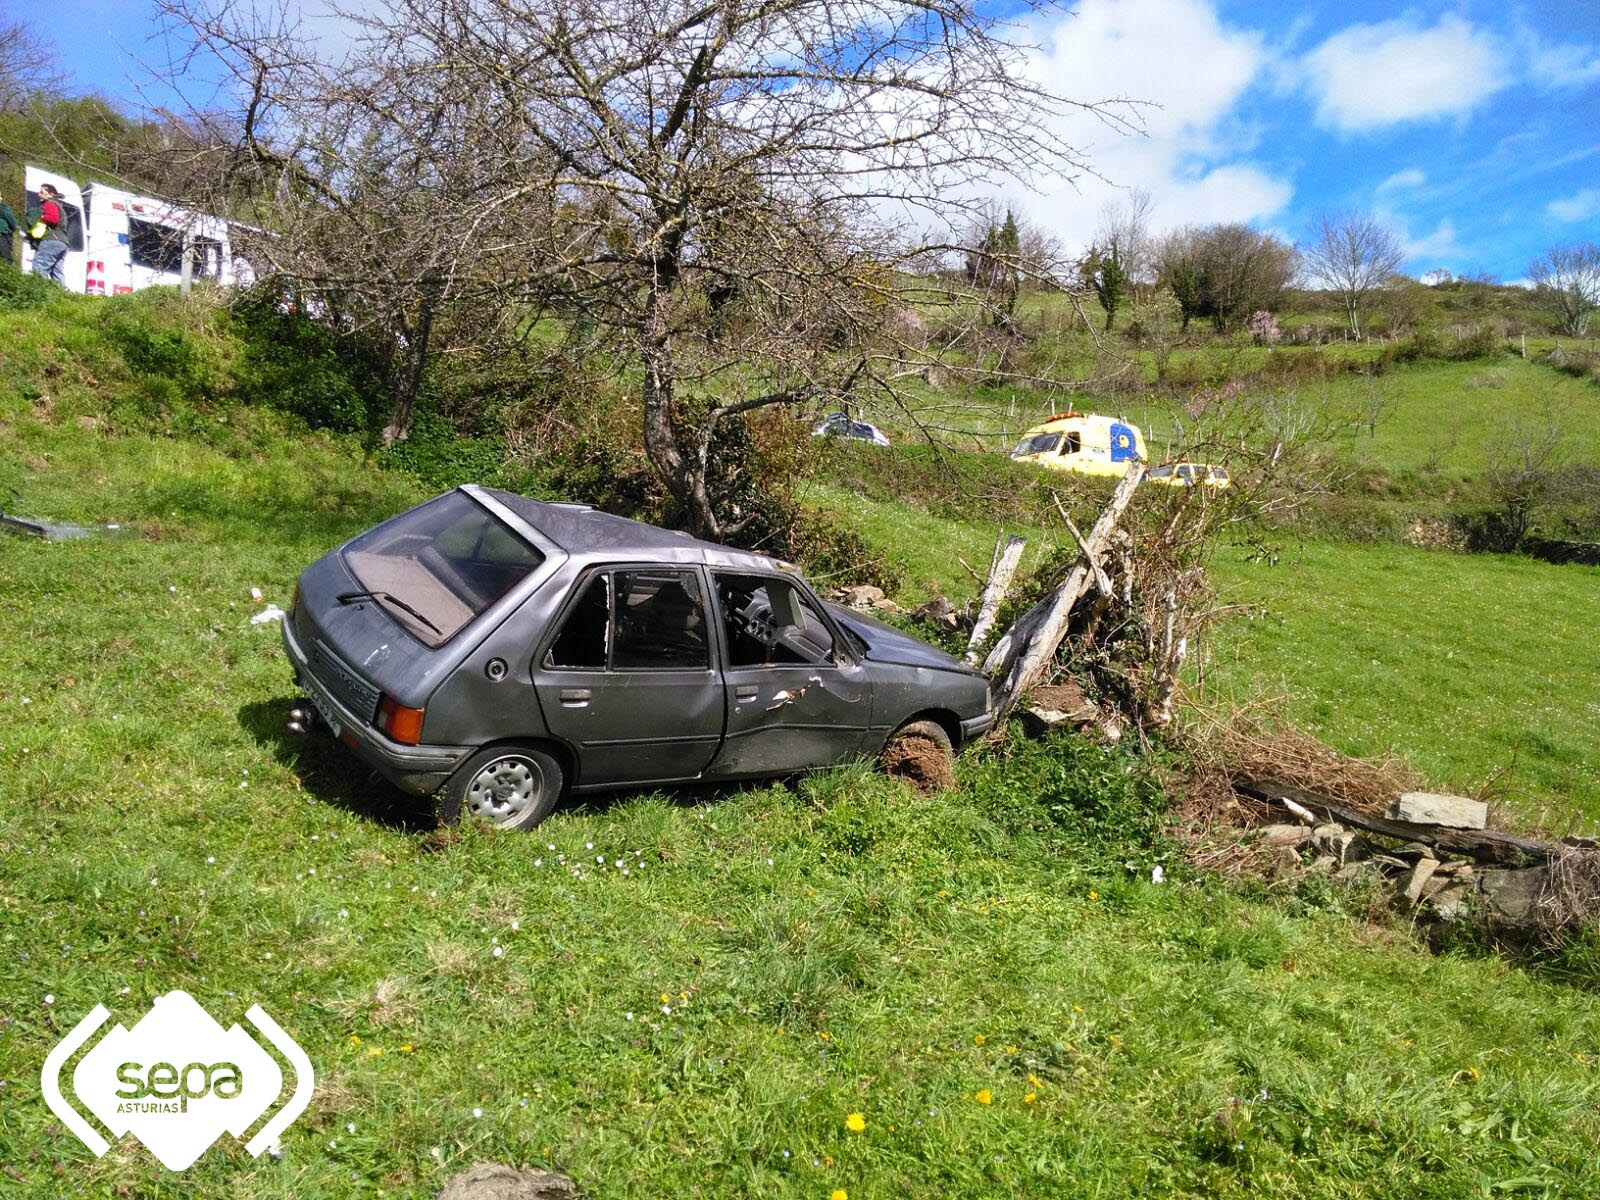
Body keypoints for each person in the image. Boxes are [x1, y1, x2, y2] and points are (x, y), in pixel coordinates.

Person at [27, 183, 69, 284]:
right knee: (57, 273)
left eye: (42, 192)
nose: (39, 194)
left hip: (51, 240)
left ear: (51, 194)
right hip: (63, 242)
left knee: (39, 267)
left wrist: (40, 217)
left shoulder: (50, 204)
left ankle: (38, 294)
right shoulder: (59, 206)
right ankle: (61, 296)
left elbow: (53, 219)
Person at [0, 197, 17, 266]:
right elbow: (13, 224)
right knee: (6, 261)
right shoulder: (3, 209)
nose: (1, 198)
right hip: (2, 237)